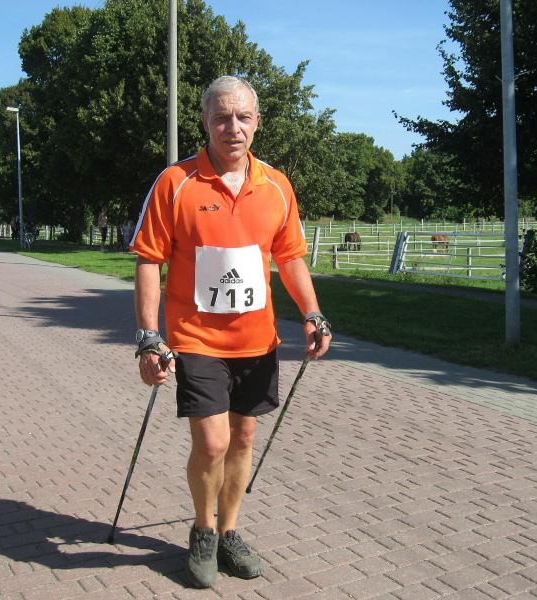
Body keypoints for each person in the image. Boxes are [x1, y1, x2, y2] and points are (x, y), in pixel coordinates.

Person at [130, 75, 332, 589]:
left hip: (257, 341)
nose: (232, 127)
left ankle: (229, 532)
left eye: (242, 117)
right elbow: (149, 260)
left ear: (257, 122)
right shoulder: (176, 182)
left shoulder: (276, 186)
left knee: (243, 437)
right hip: (196, 339)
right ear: (205, 122)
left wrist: (312, 313)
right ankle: (202, 532)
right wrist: (148, 336)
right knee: (214, 442)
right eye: (221, 117)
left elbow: (290, 258)